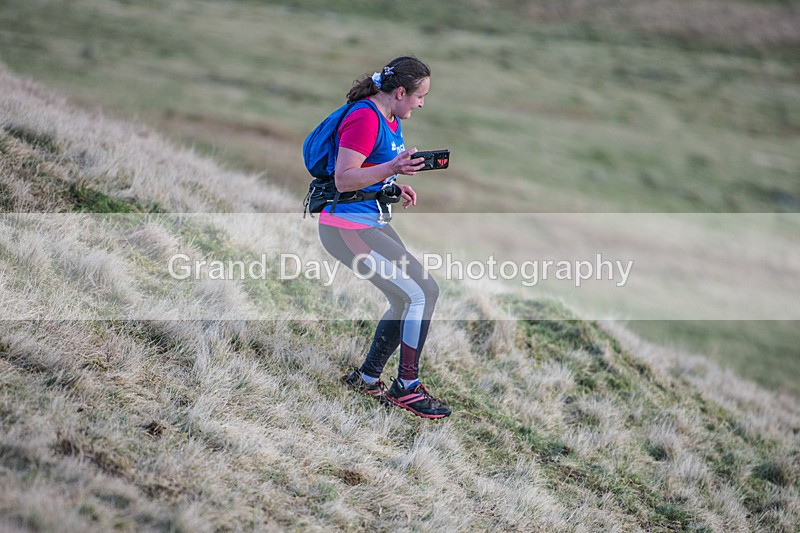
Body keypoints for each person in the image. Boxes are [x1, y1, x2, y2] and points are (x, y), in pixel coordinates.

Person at [316, 56, 451, 419]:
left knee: (406, 296)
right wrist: (392, 167)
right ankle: (407, 386)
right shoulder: (364, 116)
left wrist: (393, 186)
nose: (422, 104)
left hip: (370, 222)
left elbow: (367, 175)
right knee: (424, 291)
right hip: (346, 230)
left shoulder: (391, 119)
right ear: (401, 91)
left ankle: (368, 377)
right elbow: (344, 179)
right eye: (420, 96)